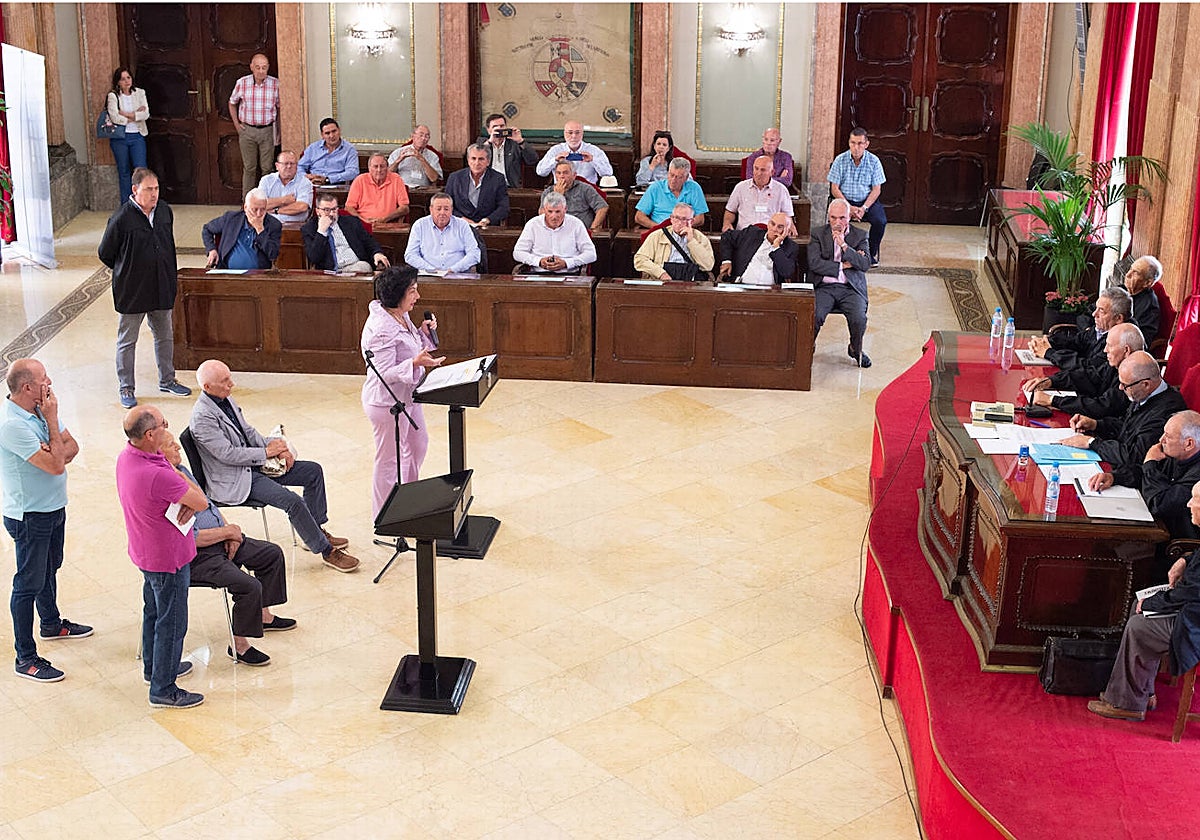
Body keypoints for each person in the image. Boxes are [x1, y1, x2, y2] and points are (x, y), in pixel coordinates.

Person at [190, 359, 359, 572]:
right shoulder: (202, 418)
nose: (231, 384)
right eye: (225, 381)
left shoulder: (225, 398)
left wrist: (276, 447)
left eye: (229, 378)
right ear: (207, 387)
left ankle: (314, 531)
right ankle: (326, 551)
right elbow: (227, 454)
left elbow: (248, 432)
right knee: (292, 501)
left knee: (312, 471)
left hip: (253, 464)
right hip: (237, 477)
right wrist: (265, 453)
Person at [161, 430, 294, 667]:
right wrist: (227, 533)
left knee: (271, 554)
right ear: (158, 452)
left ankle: (263, 615)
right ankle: (239, 646)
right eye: (172, 445)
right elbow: (190, 539)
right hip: (199, 555)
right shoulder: (165, 487)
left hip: (220, 537)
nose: (178, 448)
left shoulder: (180, 470)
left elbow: (208, 505)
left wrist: (229, 529)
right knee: (248, 585)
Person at [1, 360, 89, 683]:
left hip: (53, 507)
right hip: (29, 516)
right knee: (28, 583)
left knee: (51, 567)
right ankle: (25, 657)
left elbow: (72, 448)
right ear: (27, 388)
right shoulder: (13, 425)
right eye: (43, 379)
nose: (49, 382)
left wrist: (53, 447)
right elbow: (56, 466)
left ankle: (51, 623)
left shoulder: (40, 409)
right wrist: (53, 430)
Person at [116, 405, 207, 709]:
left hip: (146, 552)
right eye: (163, 424)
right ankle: (164, 689)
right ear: (150, 434)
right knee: (172, 622)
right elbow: (202, 501)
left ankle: (154, 669)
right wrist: (185, 488)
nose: (168, 426)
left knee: (154, 612)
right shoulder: (158, 473)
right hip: (168, 558)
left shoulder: (127, 457)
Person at [1087, 481, 1200, 722]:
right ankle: (1142, 691)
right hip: (1193, 608)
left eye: (1195, 500)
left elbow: (1190, 593)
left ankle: (1126, 704)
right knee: (1137, 605)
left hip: (1195, 622)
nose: (1189, 504)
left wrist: (1153, 604)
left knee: (1140, 626)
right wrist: (1187, 561)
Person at [98, 167, 192, 409]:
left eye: (156, 189)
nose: (154, 194)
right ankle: (126, 387)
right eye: (149, 189)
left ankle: (167, 379)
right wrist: (128, 270)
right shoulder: (121, 218)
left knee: (164, 335)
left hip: (161, 284)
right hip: (133, 289)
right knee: (127, 340)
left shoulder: (163, 211)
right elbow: (106, 253)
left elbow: (168, 245)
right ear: (135, 190)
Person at [361, 267, 446, 516]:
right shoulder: (381, 328)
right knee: (389, 460)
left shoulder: (400, 314)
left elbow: (410, 348)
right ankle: (386, 516)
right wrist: (415, 364)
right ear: (398, 294)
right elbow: (383, 371)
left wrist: (423, 333)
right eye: (413, 291)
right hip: (387, 403)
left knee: (418, 444)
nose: (417, 296)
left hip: (409, 394)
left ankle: (408, 498)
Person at [1059, 351, 1188, 490]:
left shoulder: (1166, 411)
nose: (1120, 388)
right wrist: (1096, 424)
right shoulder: (1143, 393)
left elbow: (1134, 455)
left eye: (1125, 385)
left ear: (1146, 384)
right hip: (1119, 470)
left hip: (1137, 481)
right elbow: (1126, 427)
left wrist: (1092, 443)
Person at [1027, 322, 1145, 419]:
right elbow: (1089, 377)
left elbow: (1102, 407)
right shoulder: (1117, 363)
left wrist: (1052, 400)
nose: (1105, 350)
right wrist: (1051, 381)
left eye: (1109, 346)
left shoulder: (1134, 375)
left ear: (1126, 350)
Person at [809, 198, 872, 368]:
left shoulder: (860, 235)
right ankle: (807, 347)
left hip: (849, 288)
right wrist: (842, 266)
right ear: (828, 217)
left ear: (849, 217)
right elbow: (814, 263)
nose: (837, 222)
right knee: (814, 315)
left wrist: (844, 245)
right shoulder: (818, 234)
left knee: (859, 318)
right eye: (833, 218)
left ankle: (855, 348)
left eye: (842, 218)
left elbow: (865, 264)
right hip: (825, 287)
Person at [1027, 287, 1136, 373]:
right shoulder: (1102, 328)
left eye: (1101, 311)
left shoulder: (1120, 341)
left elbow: (1088, 366)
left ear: (1118, 318)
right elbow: (1076, 342)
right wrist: (1048, 341)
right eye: (1095, 308)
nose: (1094, 314)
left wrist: (1049, 353)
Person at [828, 127, 887, 266]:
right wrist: (848, 207)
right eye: (853, 143)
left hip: (867, 202)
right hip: (844, 200)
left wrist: (864, 208)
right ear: (849, 143)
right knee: (836, 220)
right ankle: (838, 251)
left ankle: (869, 254)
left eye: (860, 143)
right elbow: (834, 188)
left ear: (866, 144)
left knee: (880, 221)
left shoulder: (874, 161)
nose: (856, 147)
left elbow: (877, 189)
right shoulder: (840, 160)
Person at [227, 53, 280, 198]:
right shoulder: (242, 83)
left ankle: (266, 201)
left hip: (267, 130)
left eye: (264, 68)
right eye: (258, 67)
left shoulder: (275, 84)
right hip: (247, 130)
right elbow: (232, 103)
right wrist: (237, 125)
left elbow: (281, 108)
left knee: (267, 168)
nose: (261, 71)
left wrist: (279, 132)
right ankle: (247, 202)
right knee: (249, 168)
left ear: (268, 68)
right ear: (251, 67)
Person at [1142, 411, 1200, 541]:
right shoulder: (1178, 453)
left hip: (1176, 543)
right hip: (1159, 527)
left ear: (1189, 444)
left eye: (1168, 436)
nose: (1161, 440)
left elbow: (1160, 505)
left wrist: (1150, 464)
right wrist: (1115, 477)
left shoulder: (1197, 477)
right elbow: (1145, 472)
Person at [301, 193, 390, 273]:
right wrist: (321, 232)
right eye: (326, 210)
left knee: (363, 267)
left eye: (334, 209)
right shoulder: (309, 229)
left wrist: (377, 253)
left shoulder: (351, 222)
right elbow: (314, 258)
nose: (331, 214)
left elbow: (369, 242)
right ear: (318, 211)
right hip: (329, 273)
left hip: (355, 266)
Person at [512, 192, 596, 274]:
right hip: (538, 273)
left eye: (558, 211)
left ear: (565, 209)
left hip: (569, 274)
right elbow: (518, 253)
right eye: (550, 211)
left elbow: (591, 254)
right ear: (544, 210)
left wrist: (566, 263)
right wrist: (539, 261)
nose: (554, 216)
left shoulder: (576, 224)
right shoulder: (533, 224)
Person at [201, 188, 282, 270]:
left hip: (258, 276)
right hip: (227, 272)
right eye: (255, 209)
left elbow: (273, 254)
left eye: (263, 209)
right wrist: (211, 249)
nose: (258, 214)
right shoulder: (231, 218)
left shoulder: (274, 224)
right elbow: (207, 229)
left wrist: (260, 230)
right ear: (245, 207)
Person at [633, 203, 714, 281]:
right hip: (662, 279)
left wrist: (691, 241)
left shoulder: (701, 238)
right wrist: (660, 273)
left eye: (684, 219)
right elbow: (640, 260)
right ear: (671, 218)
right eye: (676, 218)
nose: (679, 223)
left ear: (692, 221)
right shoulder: (657, 236)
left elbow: (708, 266)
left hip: (690, 281)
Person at [404, 193, 481, 273]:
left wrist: (453, 270)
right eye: (438, 209)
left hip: (458, 276)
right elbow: (410, 255)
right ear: (431, 209)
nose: (442, 213)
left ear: (451, 210)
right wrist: (431, 270)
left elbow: (474, 254)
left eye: (446, 209)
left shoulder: (462, 225)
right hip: (428, 276)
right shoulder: (419, 225)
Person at [717, 212, 800, 285]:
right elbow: (727, 236)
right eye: (772, 224)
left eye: (780, 227)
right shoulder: (752, 233)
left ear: (787, 231)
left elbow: (786, 272)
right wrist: (726, 261)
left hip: (771, 293)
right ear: (768, 223)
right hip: (742, 287)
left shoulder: (791, 247)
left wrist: (776, 247)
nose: (774, 229)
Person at [106, 67, 149, 205]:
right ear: (118, 82)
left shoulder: (140, 93)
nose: (126, 81)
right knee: (124, 171)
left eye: (128, 78)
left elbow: (145, 114)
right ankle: (127, 204)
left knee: (141, 170)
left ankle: (143, 201)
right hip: (120, 138)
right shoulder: (113, 96)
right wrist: (135, 115)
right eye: (123, 79)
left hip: (137, 135)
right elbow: (114, 117)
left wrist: (124, 113)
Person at [723, 156, 795, 232]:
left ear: (772, 172)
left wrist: (791, 227)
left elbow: (787, 216)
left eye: (763, 170)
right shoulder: (741, 187)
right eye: (756, 168)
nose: (758, 173)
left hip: (771, 235)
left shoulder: (781, 190)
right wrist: (727, 223)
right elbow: (730, 211)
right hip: (744, 234)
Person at [445, 144, 510, 228]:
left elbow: (503, 207)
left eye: (481, 159)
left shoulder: (497, 179)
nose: (477, 163)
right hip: (459, 225)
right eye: (473, 158)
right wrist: (463, 220)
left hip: (487, 227)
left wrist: (487, 220)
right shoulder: (455, 178)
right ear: (468, 160)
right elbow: (446, 205)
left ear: (488, 162)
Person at [635, 158, 709, 228]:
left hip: (685, 230)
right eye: (671, 175)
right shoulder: (656, 188)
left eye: (679, 177)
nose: (673, 180)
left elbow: (700, 219)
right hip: (660, 230)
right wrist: (659, 228)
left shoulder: (694, 187)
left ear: (686, 178)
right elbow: (639, 217)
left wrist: (681, 226)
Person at [535, 120, 614, 184]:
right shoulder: (556, 150)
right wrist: (555, 160)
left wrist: (593, 160)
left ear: (582, 133)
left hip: (587, 192)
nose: (573, 136)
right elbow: (540, 172)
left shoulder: (594, 150)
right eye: (570, 133)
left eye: (577, 132)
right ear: (564, 134)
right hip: (562, 190)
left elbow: (608, 173)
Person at [542, 161, 608, 230]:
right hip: (557, 230)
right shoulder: (548, 192)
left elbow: (602, 207)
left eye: (565, 173)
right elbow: (542, 214)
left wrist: (593, 229)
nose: (561, 176)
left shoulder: (585, 188)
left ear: (574, 175)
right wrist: (558, 196)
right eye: (559, 173)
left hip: (581, 231)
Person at [347, 154, 410, 225]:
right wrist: (363, 220)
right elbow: (349, 208)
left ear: (387, 167)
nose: (379, 170)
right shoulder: (360, 180)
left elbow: (405, 208)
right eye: (375, 166)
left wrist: (384, 219)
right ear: (369, 168)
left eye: (382, 166)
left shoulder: (396, 179)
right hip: (363, 224)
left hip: (388, 224)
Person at [476, 113, 536, 188]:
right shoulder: (482, 143)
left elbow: (532, 160)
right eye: (495, 126)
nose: (499, 129)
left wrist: (520, 141)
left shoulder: (514, 144)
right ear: (488, 130)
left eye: (502, 126)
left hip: (509, 187)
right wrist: (489, 142)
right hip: (486, 186)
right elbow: (476, 158)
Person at [298, 118, 359, 186]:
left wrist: (328, 179)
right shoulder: (313, 148)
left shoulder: (349, 149)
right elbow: (299, 167)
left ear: (339, 130)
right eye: (327, 133)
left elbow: (353, 172)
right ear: (322, 135)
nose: (332, 136)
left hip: (337, 186)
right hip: (312, 185)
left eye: (334, 131)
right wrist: (307, 176)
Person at [257, 150, 313, 224]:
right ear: (277, 166)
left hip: (295, 226)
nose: (289, 166)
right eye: (286, 163)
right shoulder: (266, 180)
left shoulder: (305, 182)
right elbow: (259, 204)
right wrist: (283, 200)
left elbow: (302, 207)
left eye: (292, 164)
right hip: (268, 225)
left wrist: (275, 210)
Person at [1123, 255, 1164, 344]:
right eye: (1130, 269)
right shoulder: (1120, 289)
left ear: (1148, 283)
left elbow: (1140, 341)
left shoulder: (1150, 307)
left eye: (1136, 273)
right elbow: (1091, 311)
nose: (1128, 274)